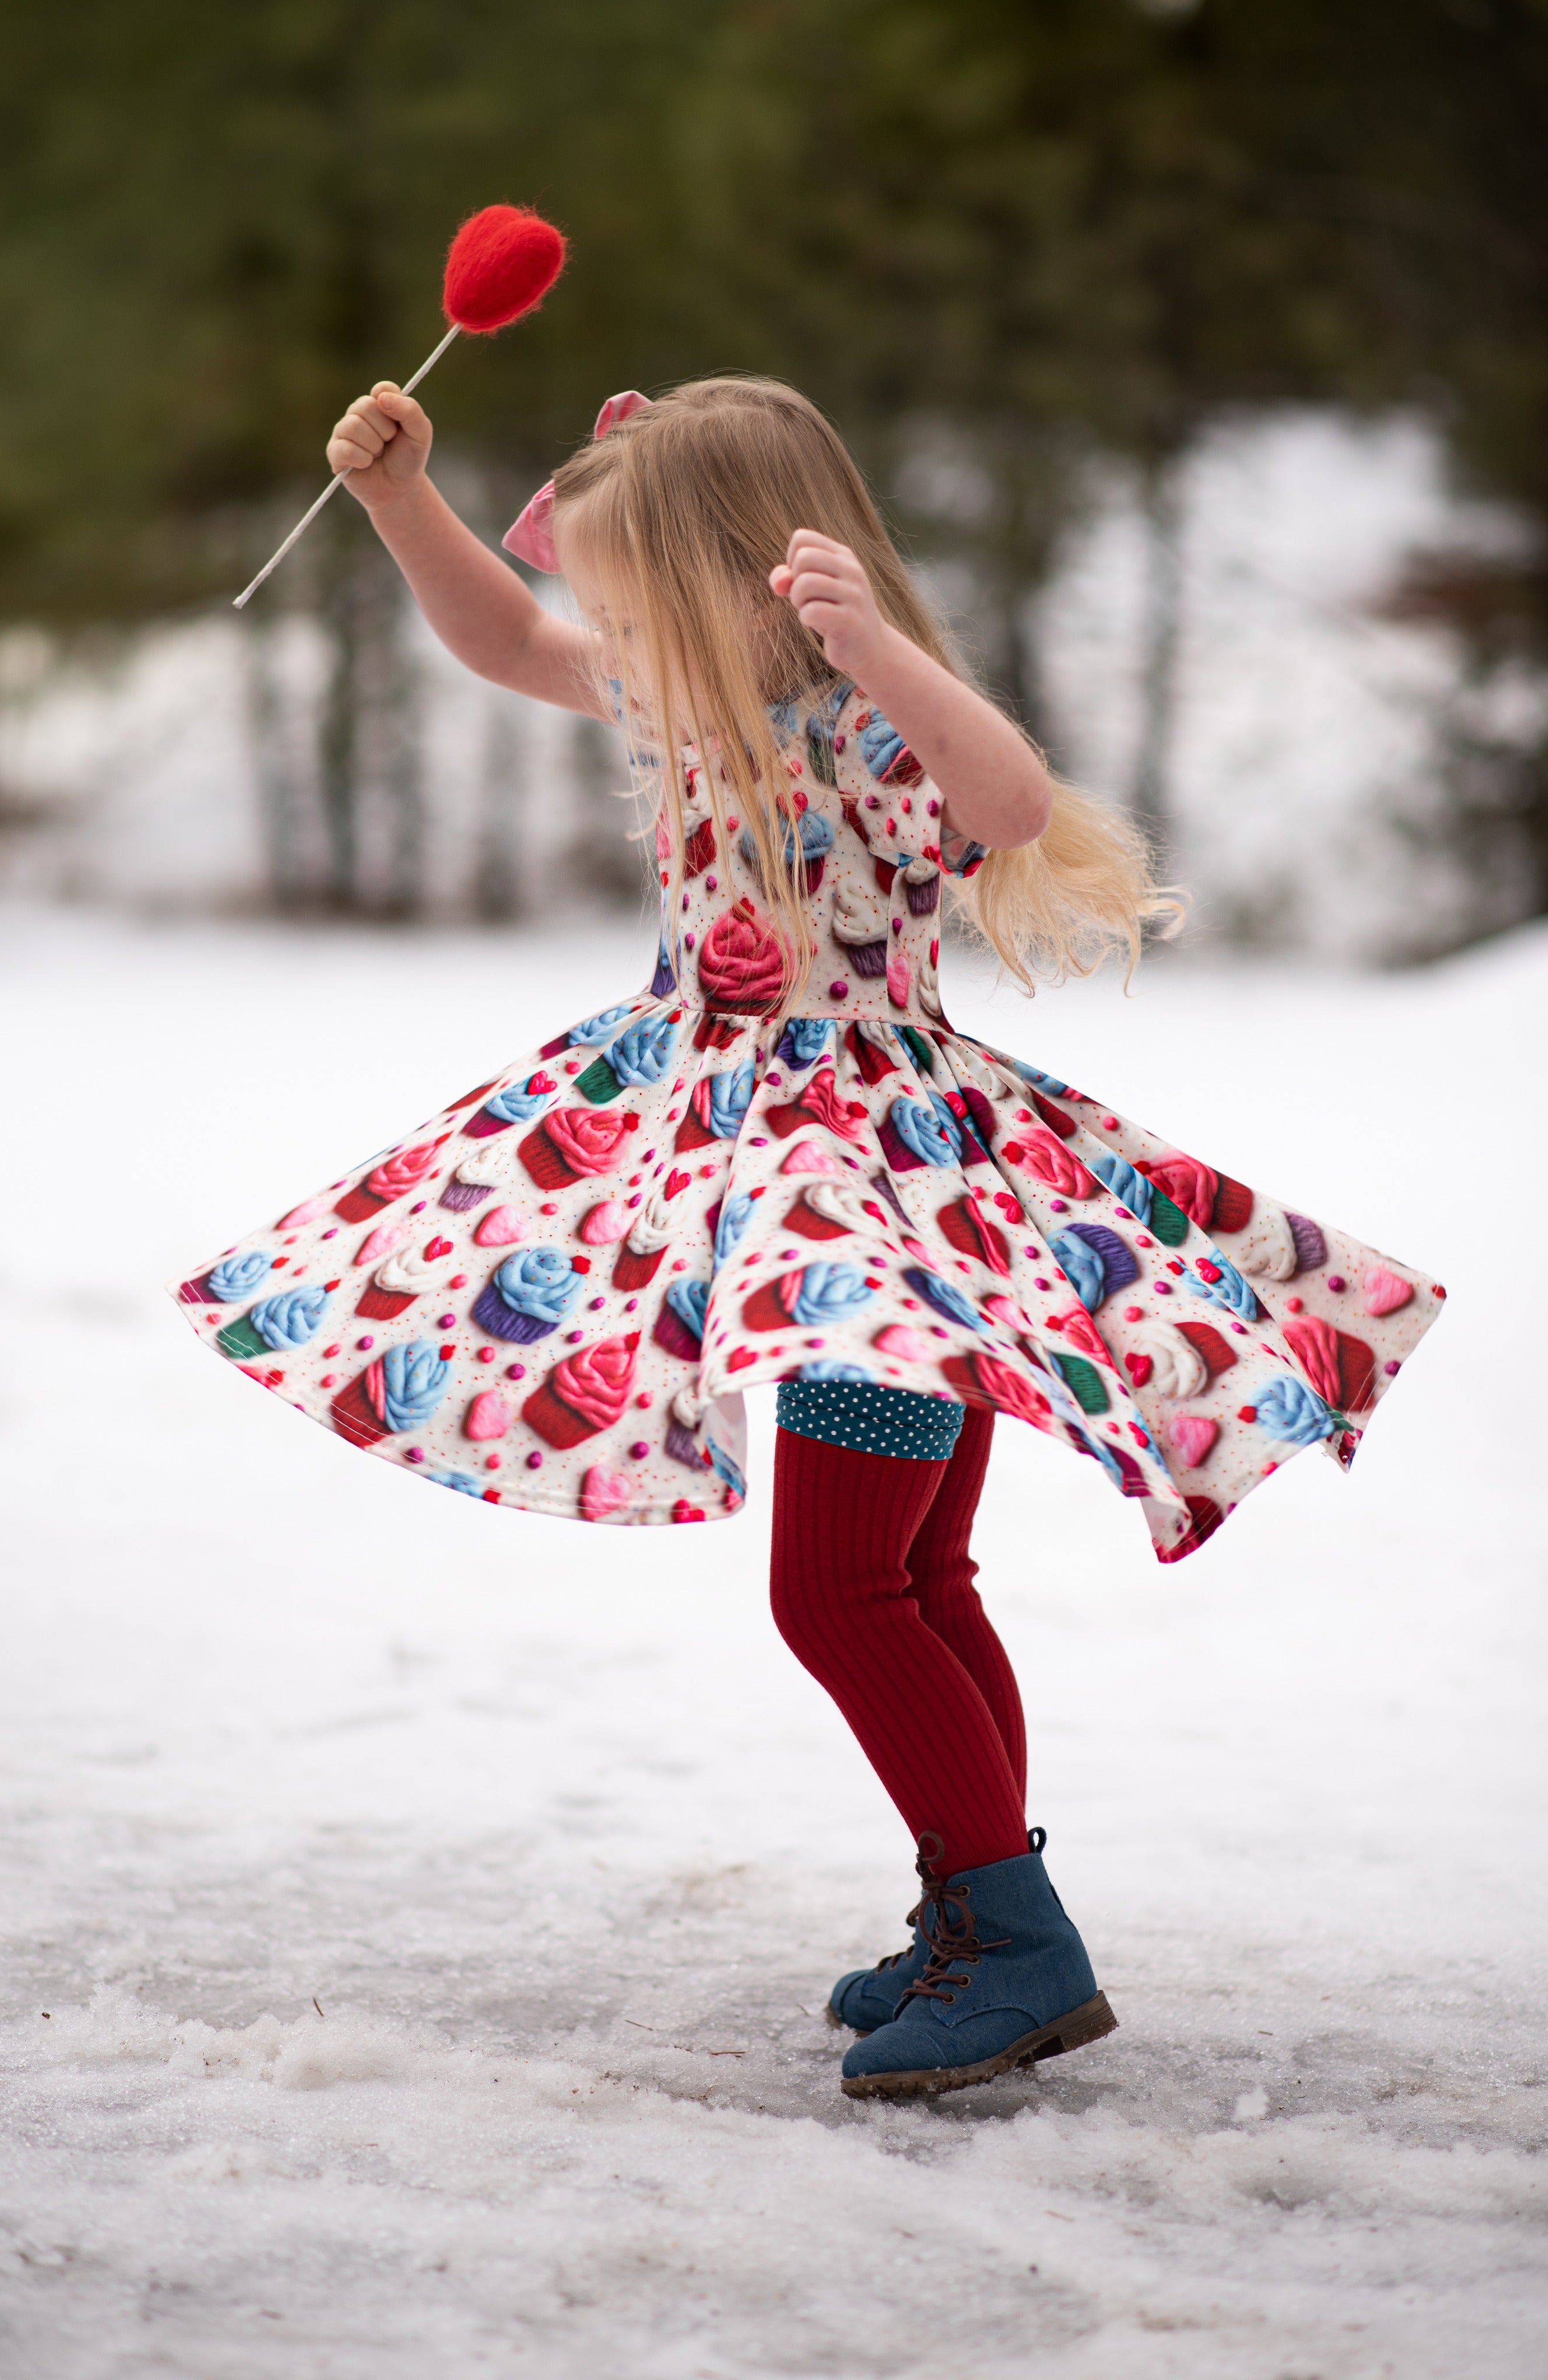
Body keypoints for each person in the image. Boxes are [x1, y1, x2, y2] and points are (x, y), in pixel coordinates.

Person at [172, 375, 1442, 2101]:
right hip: (780, 1171)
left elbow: (1004, 801)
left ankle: (1018, 1941)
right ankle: (973, 1908)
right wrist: (403, 503)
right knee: (916, 1579)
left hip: (870, 1205)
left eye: (629, 595)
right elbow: (501, 644)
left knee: (843, 1592)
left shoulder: (864, 717)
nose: (602, 626)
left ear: (738, 577)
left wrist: (876, 647)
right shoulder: (688, 706)